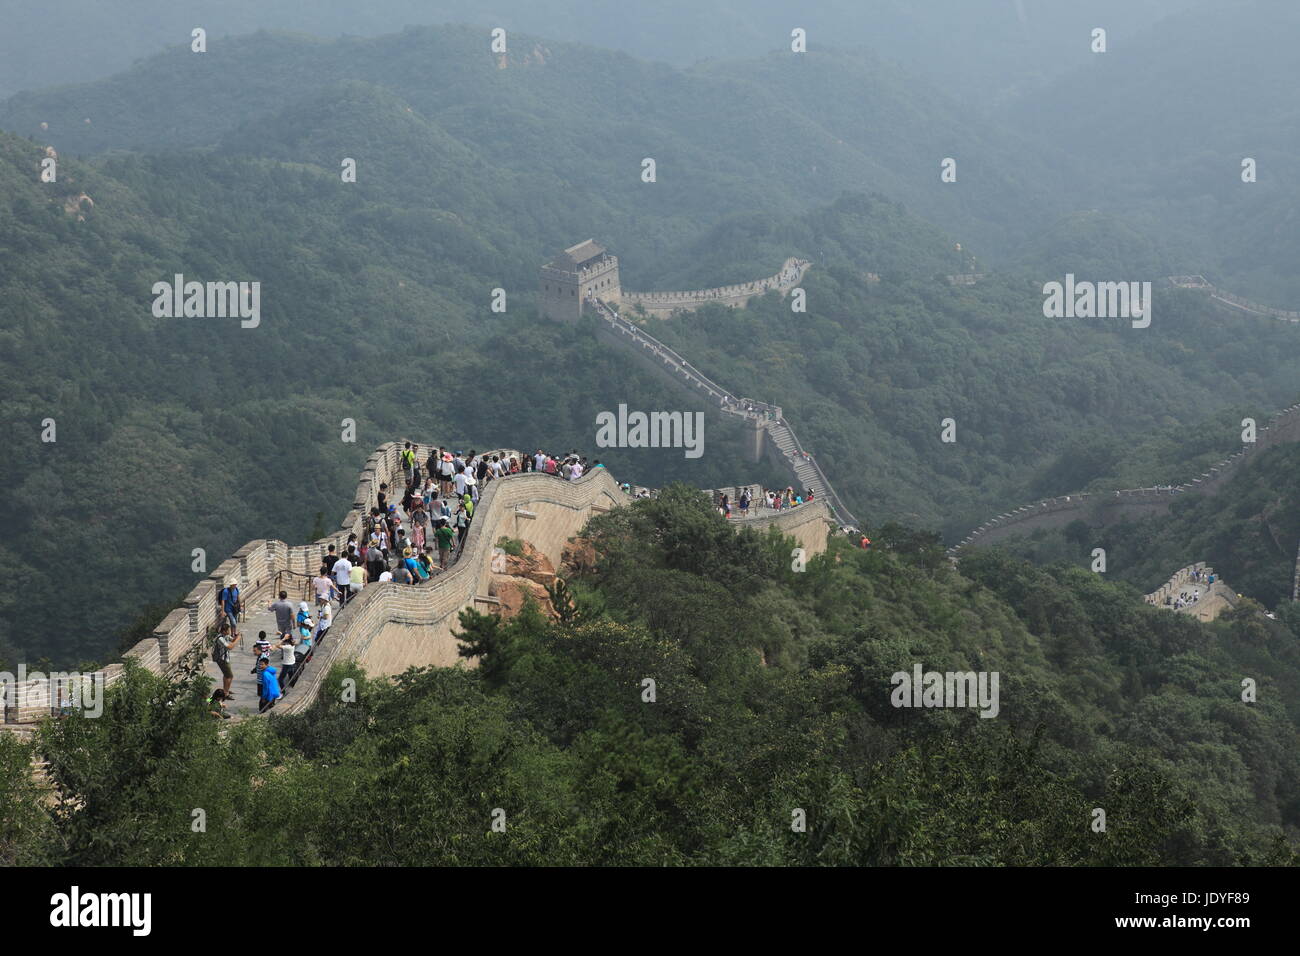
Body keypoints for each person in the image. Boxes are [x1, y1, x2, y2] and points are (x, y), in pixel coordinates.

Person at [212, 621, 239, 698]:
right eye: (228, 630)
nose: (229, 631)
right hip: (222, 660)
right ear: (224, 631)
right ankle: (226, 693)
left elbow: (232, 640)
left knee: (226, 675)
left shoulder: (226, 636)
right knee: (230, 676)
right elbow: (230, 647)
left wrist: (236, 637)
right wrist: (238, 639)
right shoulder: (220, 638)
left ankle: (225, 690)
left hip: (226, 658)